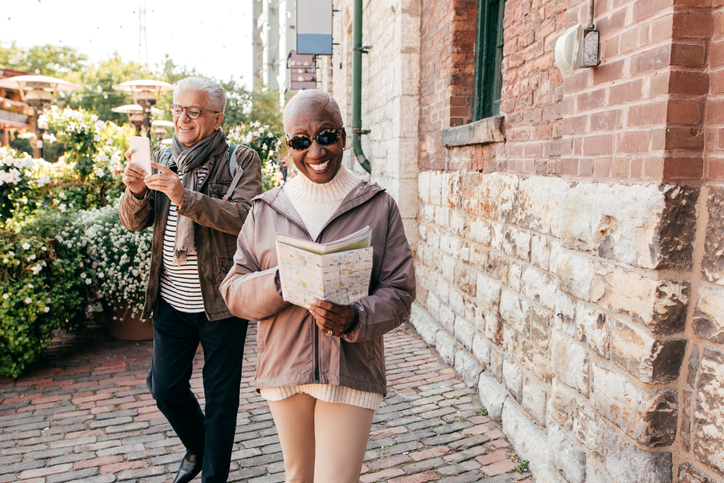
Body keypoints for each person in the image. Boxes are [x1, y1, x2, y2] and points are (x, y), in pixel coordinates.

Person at [219, 90, 415, 483]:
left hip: (351, 366)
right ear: (288, 145)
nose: (316, 150)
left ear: (343, 136)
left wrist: (356, 316)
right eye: (301, 141)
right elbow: (234, 291)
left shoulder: (378, 205)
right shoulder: (265, 209)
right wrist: (278, 281)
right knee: (298, 477)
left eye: (326, 136)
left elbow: (401, 290)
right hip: (286, 368)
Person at [119, 77, 263, 483]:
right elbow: (135, 222)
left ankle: (213, 476)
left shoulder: (241, 159)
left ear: (216, 118)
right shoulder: (162, 156)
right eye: (178, 109)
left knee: (220, 400)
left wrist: (185, 198)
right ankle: (199, 446)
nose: (183, 118)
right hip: (170, 299)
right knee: (164, 387)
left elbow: (246, 217)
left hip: (220, 301)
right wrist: (135, 193)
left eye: (194, 111)